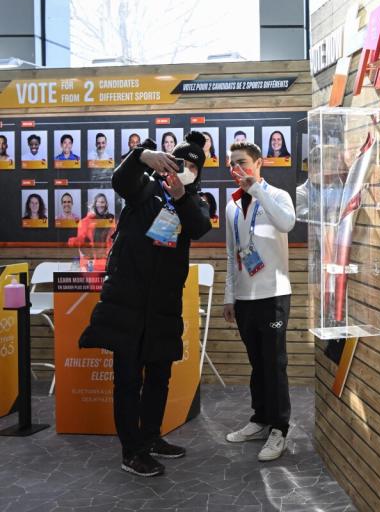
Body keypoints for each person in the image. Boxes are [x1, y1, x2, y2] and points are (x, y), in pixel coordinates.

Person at [79, 131, 211, 477]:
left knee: (159, 376)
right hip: (129, 302)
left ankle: (152, 438)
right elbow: (121, 180)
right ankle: (132, 451)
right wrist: (141, 155)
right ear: (168, 162)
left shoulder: (195, 201)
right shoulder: (145, 189)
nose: (187, 170)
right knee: (127, 379)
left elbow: (199, 227)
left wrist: (182, 196)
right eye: (182, 163)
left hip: (164, 305)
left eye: (195, 167)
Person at [223, 140, 296, 461]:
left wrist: (259, 191)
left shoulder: (277, 196)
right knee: (257, 364)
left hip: (274, 294)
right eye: (232, 164)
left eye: (242, 162)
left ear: (258, 162)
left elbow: (287, 223)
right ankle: (261, 419)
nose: (237, 169)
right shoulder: (232, 205)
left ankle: (280, 427)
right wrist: (229, 296)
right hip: (244, 297)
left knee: (274, 364)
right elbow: (231, 254)